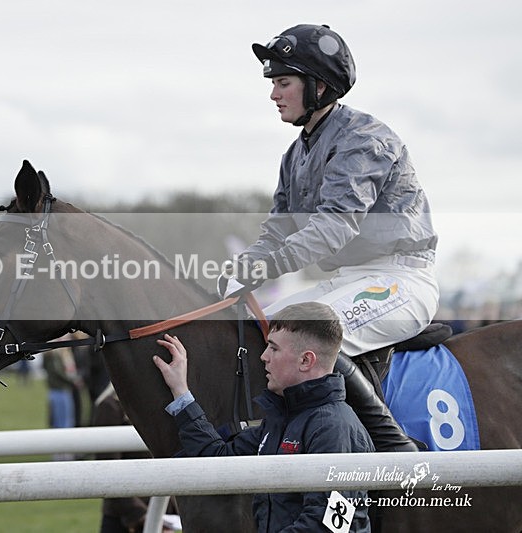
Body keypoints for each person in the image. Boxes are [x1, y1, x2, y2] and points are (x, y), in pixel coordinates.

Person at [227, 24, 439, 452]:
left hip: (402, 279)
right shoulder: (295, 154)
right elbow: (277, 231)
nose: (273, 94)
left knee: (312, 336)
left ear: (319, 86)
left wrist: (263, 268)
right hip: (348, 277)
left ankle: (395, 449)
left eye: (283, 82)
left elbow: (332, 227)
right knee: (264, 331)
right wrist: (238, 271)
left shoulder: (364, 138)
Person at [152, 302, 373, 532]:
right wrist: (181, 391)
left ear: (306, 360)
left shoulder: (334, 429)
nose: (263, 356)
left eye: (274, 348)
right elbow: (218, 458)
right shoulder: (281, 421)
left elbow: (328, 527)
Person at [91, 383, 179, 533]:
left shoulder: (157, 403)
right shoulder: (110, 407)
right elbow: (108, 470)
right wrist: (139, 514)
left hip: (160, 511)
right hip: (125, 515)